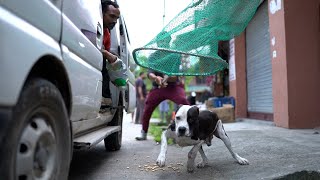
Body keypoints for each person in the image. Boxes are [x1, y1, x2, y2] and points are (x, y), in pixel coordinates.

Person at [136, 32, 190, 140]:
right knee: (147, 106)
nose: (163, 43)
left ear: (169, 41)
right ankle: (143, 132)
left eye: (165, 40)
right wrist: (156, 78)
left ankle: (193, 131)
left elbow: (175, 77)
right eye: (160, 41)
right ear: (157, 42)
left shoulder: (174, 55)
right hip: (158, 88)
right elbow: (150, 73)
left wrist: (167, 78)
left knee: (184, 102)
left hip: (173, 87)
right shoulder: (153, 56)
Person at [100, 0, 125, 112]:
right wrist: (106, 53)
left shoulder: (107, 34)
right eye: (112, 16)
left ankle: (106, 100)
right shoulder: (96, 28)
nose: (114, 21)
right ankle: (105, 100)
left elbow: (105, 52)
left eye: (116, 18)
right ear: (102, 13)